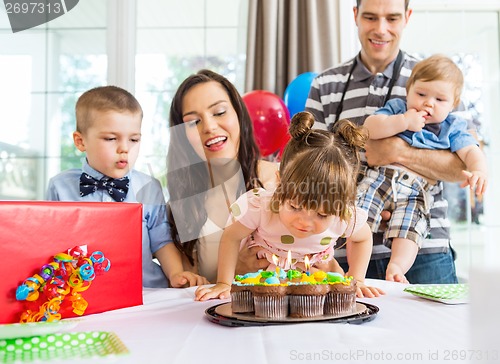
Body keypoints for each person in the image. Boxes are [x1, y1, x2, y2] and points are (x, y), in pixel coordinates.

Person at [306, 0, 469, 284]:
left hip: (425, 251)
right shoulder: (325, 85)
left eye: (392, 18)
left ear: (407, 17)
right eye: (370, 17)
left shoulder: (436, 83)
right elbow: (312, 169)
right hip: (349, 250)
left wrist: (397, 152)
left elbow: (462, 167)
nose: (381, 29)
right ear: (355, 16)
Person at [195, 111, 385, 301]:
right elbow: (231, 236)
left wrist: (357, 278)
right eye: (295, 207)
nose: (305, 222)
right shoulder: (263, 207)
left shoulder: (342, 215)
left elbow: (362, 238)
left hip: (315, 283)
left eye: (322, 214)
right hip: (265, 280)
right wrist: (224, 283)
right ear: (279, 183)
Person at [46, 85, 208, 288]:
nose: (124, 148)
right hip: (83, 294)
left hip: (144, 291)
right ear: (80, 141)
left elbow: (161, 240)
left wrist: (176, 273)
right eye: (111, 138)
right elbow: (50, 247)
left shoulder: (149, 187)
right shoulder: (59, 186)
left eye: (134, 139)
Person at [358, 54, 488, 283]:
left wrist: (479, 170)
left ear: (453, 103)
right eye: (421, 94)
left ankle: (396, 267)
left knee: (410, 226)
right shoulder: (397, 109)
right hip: (380, 178)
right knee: (359, 215)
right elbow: (370, 128)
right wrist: (403, 123)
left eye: (440, 99)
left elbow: (470, 151)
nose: (428, 103)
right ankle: (356, 271)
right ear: (408, 91)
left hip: (417, 191)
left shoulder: (452, 127)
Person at [166, 70, 279, 283]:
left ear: (238, 114)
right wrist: (236, 269)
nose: (209, 127)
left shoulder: (281, 180)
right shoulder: (181, 206)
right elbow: (193, 289)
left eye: (219, 112)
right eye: (193, 122)